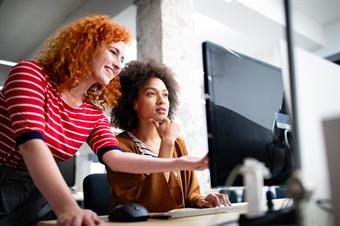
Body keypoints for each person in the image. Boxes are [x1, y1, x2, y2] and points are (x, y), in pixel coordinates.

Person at [0, 15, 207, 226]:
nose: (118, 65)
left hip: (41, 189)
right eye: (113, 52)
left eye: (122, 59)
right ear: (86, 47)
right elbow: (31, 145)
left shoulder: (93, 113)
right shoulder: (31, 75)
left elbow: (117, 159)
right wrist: (69, 208)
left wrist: (180, 162)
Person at [107, 59, 230, 212]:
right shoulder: (118, 146)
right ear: (134, 102)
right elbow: (147, 205)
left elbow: (191, 194)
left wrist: (202, 200)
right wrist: (167, 142)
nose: (162, 101)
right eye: (151, 93)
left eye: (165, 95)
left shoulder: (178, 142)